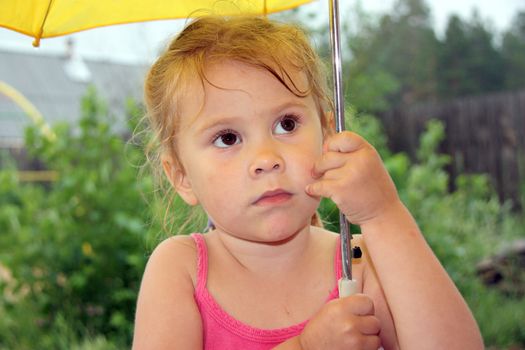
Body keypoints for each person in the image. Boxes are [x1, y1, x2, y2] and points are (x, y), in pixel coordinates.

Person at [132, 15, 483, 350]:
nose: (266, 158)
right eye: (227, 138)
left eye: (286, 124)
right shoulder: (181, 271)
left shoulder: (357, 262)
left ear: (327, 134)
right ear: (181, 176)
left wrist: (383, 214)